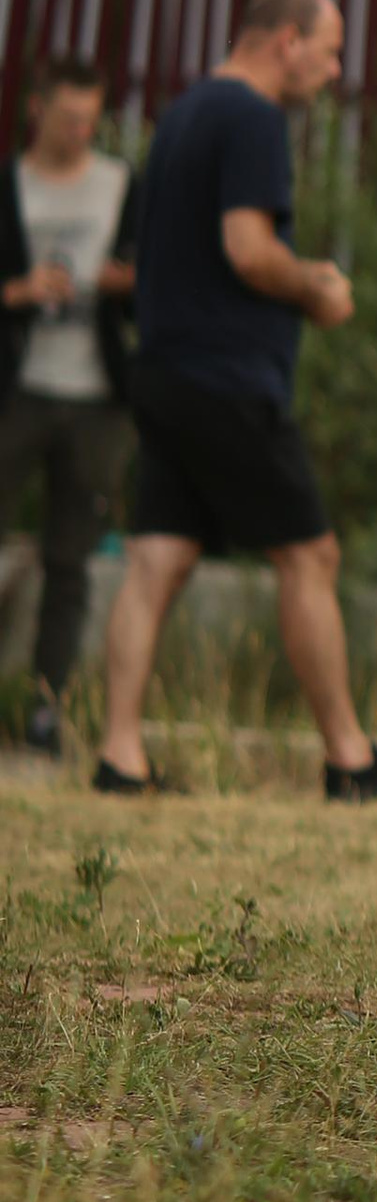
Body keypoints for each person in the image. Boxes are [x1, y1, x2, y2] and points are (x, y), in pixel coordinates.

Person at [95, 0, 377, 802]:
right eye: (328, 52)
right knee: (309, 553)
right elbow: (249, 249)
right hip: (224, 378)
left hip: (164, 369)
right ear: (285, 40)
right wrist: (317, 287)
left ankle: (119, 758)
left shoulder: (183, 113)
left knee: (158, 559)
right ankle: (349, 762)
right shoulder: (252, 117)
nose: (331, 73)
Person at [0, 52, 137, 754]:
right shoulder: (9, 184)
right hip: (16, 392)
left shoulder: (120, 185)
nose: (81, 130)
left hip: (96, 400)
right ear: (36, 109)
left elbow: (153, 284)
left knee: (70, 560)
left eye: (91, 117)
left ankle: (45, 713)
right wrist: (21, 293)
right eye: (68, 116)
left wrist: (123, 284)